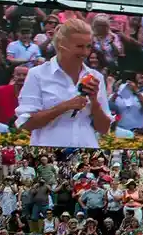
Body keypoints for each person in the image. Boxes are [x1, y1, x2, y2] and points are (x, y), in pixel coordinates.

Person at [15, 18, 112, 148]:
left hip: (87, 154)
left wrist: (94, 102)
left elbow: (104, 129)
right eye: (79, 46)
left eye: (88, 46)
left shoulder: (96, 77)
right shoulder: (37, 74)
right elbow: (26, 124)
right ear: (61, 45)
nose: (85, 53)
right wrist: (64, 107)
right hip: (48, 154)